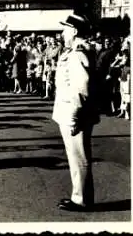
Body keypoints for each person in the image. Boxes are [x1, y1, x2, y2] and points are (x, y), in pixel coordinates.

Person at [52, 14, 99, 212]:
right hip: (72, 111)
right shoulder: (73, 51)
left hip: (74, 112)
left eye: (65, 29)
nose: (62, 33)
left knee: (78, 156)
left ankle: (81, 200)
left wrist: (73, 115)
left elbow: (81, 88)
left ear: (75, 31)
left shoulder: (77, 54)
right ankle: (79, 196)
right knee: (75, 156)